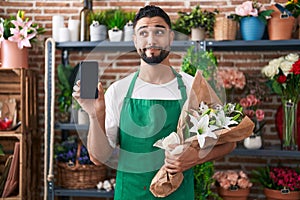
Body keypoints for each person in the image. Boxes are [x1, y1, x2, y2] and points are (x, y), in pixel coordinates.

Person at [72, 5, 236, 200]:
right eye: (143, 33)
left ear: (171, 38)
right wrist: (94, 114)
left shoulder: (193, 86)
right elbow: (98, 158)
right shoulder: (118, 90)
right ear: (135, 40)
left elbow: (229, 142)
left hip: (179, 195)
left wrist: (196, 158)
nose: (151, 40)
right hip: (130, 194)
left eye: (159, 31)